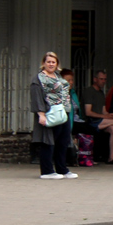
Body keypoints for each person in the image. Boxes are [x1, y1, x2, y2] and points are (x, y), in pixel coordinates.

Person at [30, 51, 78, 179]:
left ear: (57, 64)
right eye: (48, 62)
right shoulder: (39, 79)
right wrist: (41, 114)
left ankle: (62, 169)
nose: (51, 64)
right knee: (48, 141)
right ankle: (47, 171)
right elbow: (36, 97)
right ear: (43, 63)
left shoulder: (57, 77)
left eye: (53, 62)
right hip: (49, 113)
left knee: (63, 142)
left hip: (63, 112)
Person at [84, 69, 113, 165]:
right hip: (91, 121)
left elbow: (104, 110)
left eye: (105, 79)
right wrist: (104, 116)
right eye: (101, 79)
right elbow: (88, 112)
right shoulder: (89, 91)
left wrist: (110, 116)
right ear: (95, 79)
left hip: (100, 120)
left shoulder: (101, 93)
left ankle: (111, 157)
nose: (103, 81)